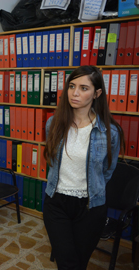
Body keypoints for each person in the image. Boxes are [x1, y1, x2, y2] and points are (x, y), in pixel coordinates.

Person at [43, 65, 125, 270]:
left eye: (83, 88)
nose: (75, 93)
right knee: (67, 262)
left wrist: (93, 187)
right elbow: (52, 161)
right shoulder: (53, 124)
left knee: (80, 263)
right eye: (72, 86)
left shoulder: (110, 132)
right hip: (56, 202)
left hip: (91, 208)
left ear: (97, 93)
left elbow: (108, 170)